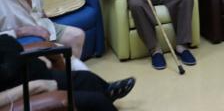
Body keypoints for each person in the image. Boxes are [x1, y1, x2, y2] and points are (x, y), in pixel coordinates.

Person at [0, 34, 135, 110]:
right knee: (97, 101)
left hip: (37, 73)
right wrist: (37, 86)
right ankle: (104, 98)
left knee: (87, 79)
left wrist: (36, 57)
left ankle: (108, 90)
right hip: (25, 90)